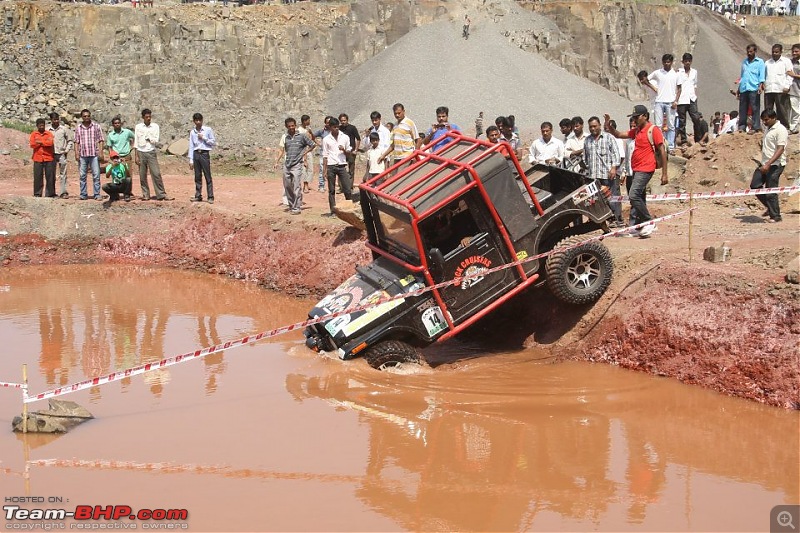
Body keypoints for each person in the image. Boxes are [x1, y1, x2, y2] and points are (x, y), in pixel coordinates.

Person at [604, 105, 668, 238]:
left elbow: (662, 150)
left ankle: (649, 222)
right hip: (636, 169)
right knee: (640, 196)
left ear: (645, 116)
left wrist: (664, 173)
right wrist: (609, 126)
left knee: (633, 195)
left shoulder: (653, 130)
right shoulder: (637, 131)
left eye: (636, 117)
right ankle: (639, 225)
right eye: (633, 117)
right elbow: (619, 134)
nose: (634, 119)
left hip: (646, 168)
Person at [584, 116, 622, 226]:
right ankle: (601, 220)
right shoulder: (587, 140)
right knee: (596, 200)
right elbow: (586, 158)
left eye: (595, 126)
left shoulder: (608, 137)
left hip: (607, 174)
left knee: (612, 198)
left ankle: (616, 219)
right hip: (593, 176)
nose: (592, 129)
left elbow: (616, 154)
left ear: (600, 125)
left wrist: (614, 168)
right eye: (590, 127)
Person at [751, 109, 787, 223]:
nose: (764, 122)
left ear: (774, 118)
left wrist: (769, 164)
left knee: (771, 189)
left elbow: (780, 149)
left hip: (775, 165)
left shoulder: (781, 130)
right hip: (765, 163)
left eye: (766, 120)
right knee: (755, 186)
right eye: (763, 120)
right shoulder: (768, 128)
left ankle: (776, 216)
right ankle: (770, 207)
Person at [273, 117, 315, 215]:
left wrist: (304, 154)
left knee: (296, 186)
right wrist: (277, 161)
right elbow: (281, 150)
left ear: (295, 125)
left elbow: (312, 144)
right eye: (289, 126)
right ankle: (292, 205)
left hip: (297, 164)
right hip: (287, 164)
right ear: (286, 127)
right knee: (287, 186)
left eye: (293, 125)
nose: (291, 127)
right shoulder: (285, 137)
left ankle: (297, 207)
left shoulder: (302, 136)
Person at [642, 54, 679, 149]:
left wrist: (676, 101)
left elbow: (679, 88)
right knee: (658, 125)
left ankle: (670, 146)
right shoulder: (658, 73)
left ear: (671, 62)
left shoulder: (675, 74)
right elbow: (646, 80)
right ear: (662, 62)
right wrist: (651, 86)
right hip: (659, 101)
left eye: (668, 62)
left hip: (671, 101)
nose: (667, 64)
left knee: (671, 125)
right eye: (665, 62)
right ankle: (660, 144)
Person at [134, 108, 171, 201]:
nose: (148, 118)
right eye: (146, 117)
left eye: (150, 117)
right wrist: (136, 155)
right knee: (142, 175)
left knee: (156, 173)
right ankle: (145, 194)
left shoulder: (155, 127)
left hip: (151, 152)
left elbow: (155, 140)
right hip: (141, 152)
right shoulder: (138, 127)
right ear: (143, 117)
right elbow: (136, 142)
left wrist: (149, 138)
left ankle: (161, 194)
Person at [321, 117, 353, 217]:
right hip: (331, 166)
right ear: (330, 128)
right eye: (334, 127)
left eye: (337, 127)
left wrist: (344, 150)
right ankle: (333, 211)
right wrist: (324, 170)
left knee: (347, 188)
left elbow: (349, 153)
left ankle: (350, 209)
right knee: (331, 190)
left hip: (342, 165)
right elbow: (325, 155)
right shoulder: (326, 139)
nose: (336, 129)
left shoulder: (345, 137)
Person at [73, 109, 104, 200]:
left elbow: (101, 140)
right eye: (84, 116)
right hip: (83, 154)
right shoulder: (78, 127)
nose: (86, 118)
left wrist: (101, 152)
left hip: (94, 154)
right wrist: (76, 153)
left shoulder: (96, 126)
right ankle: (83, 194)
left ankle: (97, 194)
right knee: (82, 175)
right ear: (82, 117)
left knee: (96, 175)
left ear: (90, 116)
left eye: (88, 116)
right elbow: (76, 141)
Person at [379, 103, 420, 170]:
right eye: (395, 113)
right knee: (395, 177)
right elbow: (393, 145)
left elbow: (417, 140)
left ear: (403, 111)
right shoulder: (395, 125)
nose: (397, 115)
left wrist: (415, 156)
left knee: (400, 177)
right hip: (397, 157)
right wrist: (383, 155)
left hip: (407, 156)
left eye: (399, 113)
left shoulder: (409, 123)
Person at [188, 113, 217, 204]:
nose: (198, 122)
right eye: (196, 120)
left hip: (204, 153)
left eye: (199, 120)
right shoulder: (192, 132)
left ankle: (210, 196)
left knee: (207, 175)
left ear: (202, 120)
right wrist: (191, 160)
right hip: (196, 153)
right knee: (197, 176)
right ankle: (198, 195)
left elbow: (213, 142)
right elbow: (191, 146)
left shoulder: (208, 130)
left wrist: (204, 138)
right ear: (194, 121)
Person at [737, 44, 766, 133]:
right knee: (743, 108)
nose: (749, 53)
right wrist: (739, 88)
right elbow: (742, 76)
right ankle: (742, 126)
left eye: (751, 51)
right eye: (748, 52)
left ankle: (755, 126)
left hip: (754, 87)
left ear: (755, 51)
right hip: (744, 88)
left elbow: (762, 75)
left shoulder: (760, 62)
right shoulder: (744, 62)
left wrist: (761, 85)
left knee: (755, 108)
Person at [764, 44, 793, 129]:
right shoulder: (767, 62)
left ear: (781, 52)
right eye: (773, 52)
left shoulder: (786, 61)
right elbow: (764, 75)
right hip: (769, 89)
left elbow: (789, 75)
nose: (774, 53)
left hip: (781, 90)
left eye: (776, 52)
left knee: (782, 110)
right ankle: (769, 127)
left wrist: (787, 86)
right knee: (768, 110)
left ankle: (784, 127)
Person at [676, 53, 701, 146]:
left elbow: (695, 84)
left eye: (689, 61)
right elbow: (677, 85)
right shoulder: (679, 72)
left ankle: (698, 139)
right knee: (682, 121)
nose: (687, 62)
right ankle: (683, 141)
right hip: (682, 99)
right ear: (683, 61)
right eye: (685, 61)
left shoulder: (694, 72)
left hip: (692, 98)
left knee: (696, 118)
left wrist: (695, 94)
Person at [105, 116, 135, 193]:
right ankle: (116, 192)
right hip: (116, 157)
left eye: (118, 123)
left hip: (127, 156)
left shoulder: (127, 132)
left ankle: (128, 192)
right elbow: (109, 146)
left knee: (128, 175)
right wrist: (111, 156)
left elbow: (134, 138)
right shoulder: (111, 135)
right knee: (117, 174)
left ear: (121, 124)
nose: (117, 124)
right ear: (113, 125)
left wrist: (132, 147)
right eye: (115, 123)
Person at [48, 112, 73, 199]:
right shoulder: (48, 130)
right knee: (51, 174)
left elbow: (70, 140)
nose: (56, 121)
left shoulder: (64, 129)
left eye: (57, 119)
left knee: (63, 174)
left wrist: (66, 150)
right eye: (54, 119)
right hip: (51, 155)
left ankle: (63, 192)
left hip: (61, 154)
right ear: (51, 120)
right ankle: (51, 193)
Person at [30, 118, 56, 198]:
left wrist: (40, 142)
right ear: (37, 126)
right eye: (40, 125)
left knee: (50, 177)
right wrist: (43, 143)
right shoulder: (34, 134)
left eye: (43, 125)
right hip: (37, 158)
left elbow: (50, 143)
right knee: (38, 177)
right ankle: (37, 193)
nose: (42, 127)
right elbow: (32, 144)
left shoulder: (49, 134)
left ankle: (50, 194)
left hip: (48, 158)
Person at [338, 113, 360, 181]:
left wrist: (356, 150)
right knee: (340, 169)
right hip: (341, 152)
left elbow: (358, 139)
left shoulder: (352, 128)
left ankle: (350, 187)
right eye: (341, 120)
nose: (343, 122)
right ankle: (341, 187)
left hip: (351, 152)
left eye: (344, 120)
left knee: (351, 170)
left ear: (347, 120)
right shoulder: (339, 128)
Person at [314, 116, 332, 192]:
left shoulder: (334, 130)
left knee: (331, 170)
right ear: (325, 123)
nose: (329, 124)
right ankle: (321, 186)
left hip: (332, 153)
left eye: (330, 122)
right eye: (327, 122)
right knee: (322, 169)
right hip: (323, 152)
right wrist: (319, 144)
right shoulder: (322, 131)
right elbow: (312, 136)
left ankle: (331, 186)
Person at [299, 115, 315, 193]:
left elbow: (312, 139)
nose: (309, 122)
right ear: (304, 121)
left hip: (309, 150)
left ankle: (307, 184)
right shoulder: (299, 130)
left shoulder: (308, 129)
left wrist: (311, 133)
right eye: (308, 120)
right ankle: (304, 186)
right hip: (303, 151)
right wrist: (304, 156)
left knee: (310, 168)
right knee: (304, 168)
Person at [790, 43, 800, 134]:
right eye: (793, 51)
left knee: (796, 110)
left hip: (798, 88)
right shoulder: (789, 62)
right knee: (793, 109)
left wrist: (794, 75)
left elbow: (792, 74)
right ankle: (792, 127)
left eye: (796, 51)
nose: (794, 53)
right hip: (792, 89)